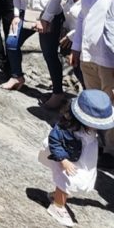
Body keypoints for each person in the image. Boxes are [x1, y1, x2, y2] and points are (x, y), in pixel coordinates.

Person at [2, 0, 66, 109]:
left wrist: (46, 18)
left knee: (49, 53)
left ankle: (58, 92)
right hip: (26, 13)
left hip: (48, 14)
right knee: (12, 42)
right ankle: (17, 76)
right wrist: (16, 14)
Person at [39, 89, 114, 227]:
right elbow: (54, 141)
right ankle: (58, 206)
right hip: (68, 158)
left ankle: (57, 195)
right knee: (65, 179)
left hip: (83, 156)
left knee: (81, 179)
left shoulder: (88, 128)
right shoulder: (67, 127)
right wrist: (63, 160)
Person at [70, 0, 114, 158]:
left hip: (108, 60)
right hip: (89, 55)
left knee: (110, 105)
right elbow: (81, 19)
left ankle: (110, 149)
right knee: (93, 102)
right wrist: (76, 48)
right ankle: (96, 143)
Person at [60, 0, 88, 88]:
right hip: (70, 41)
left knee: (87, 78)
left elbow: (90, 21)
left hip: (85, 43)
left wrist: (71, 36)